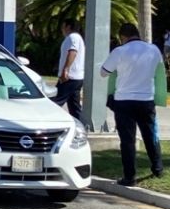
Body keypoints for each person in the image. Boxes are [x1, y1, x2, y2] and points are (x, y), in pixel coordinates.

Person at [100, 23, 164, 186]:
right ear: (137, 33)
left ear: (123, 37)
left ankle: (130, 177)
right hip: (146, 99)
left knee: (127, 140)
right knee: (150, 135)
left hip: (124, 100)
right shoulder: (154, 50)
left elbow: (103, 72)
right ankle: (157, 168)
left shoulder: (119, 51)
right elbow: (158, 71)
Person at [53, 19, 85, 121]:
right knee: (74, 107)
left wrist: (65, 69)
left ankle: (45, 123)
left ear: (68, 27)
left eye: (63, 26)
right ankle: (79, 126)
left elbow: (73, 52)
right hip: (76, 78)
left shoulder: (73, 37)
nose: (62, 29)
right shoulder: (75, 38)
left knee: (55, 103)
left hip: (70, 77)